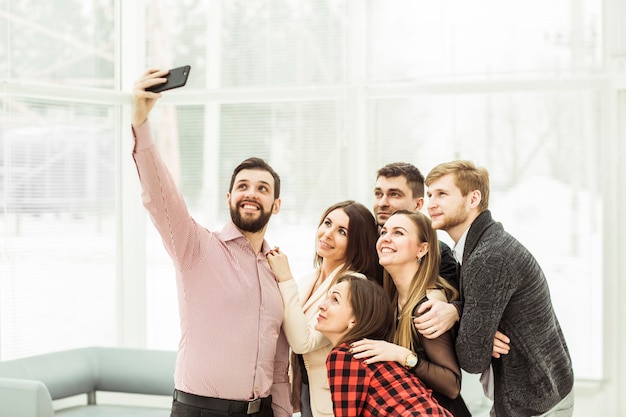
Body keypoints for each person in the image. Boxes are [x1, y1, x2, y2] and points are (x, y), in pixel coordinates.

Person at [131, 68, 291, 417]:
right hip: (201, 411)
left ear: (276, 205)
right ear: (230, 197)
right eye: (244, 186)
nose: (252, 193)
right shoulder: (196, 248)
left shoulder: (277, 271)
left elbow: (279, 365)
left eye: (263, 188)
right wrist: (141, 123)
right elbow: (161, 197)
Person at [424, 160, 574, 417]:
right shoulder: (481, 245)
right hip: (538, 392)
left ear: (473, 199)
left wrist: (475, 333)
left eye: (442, 194)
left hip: (536, 404)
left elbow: (472, 358)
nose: (431, 203)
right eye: (429, 194)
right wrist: (473, 325)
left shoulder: (488, 257)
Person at [350, 210, 471, 417]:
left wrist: (401, 355)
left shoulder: (428, 306)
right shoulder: (392, 300)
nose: (385, 239)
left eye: (398, 233)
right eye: (384, 232)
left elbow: (452, 384)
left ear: (422, 249)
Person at [266, 200, 378, 417]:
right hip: (304, 389)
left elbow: (302, 342)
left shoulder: (355, 284)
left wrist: (285, 277)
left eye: (342, 232)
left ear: (357, 243)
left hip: (332, 397)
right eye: (327, 223)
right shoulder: (311, 278)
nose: (327, 234)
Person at [315, 275, 453, 417]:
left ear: (355, 321)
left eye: (335, 300)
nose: (321, 305)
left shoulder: (345, 355)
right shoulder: (379, 356)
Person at [373, 162, 458, 289]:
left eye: (394, 194)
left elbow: (451, 300)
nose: (382, 203)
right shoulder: (360, 242)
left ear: (418, 204)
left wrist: (453, 307)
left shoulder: (438, 254)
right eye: (378, 194)